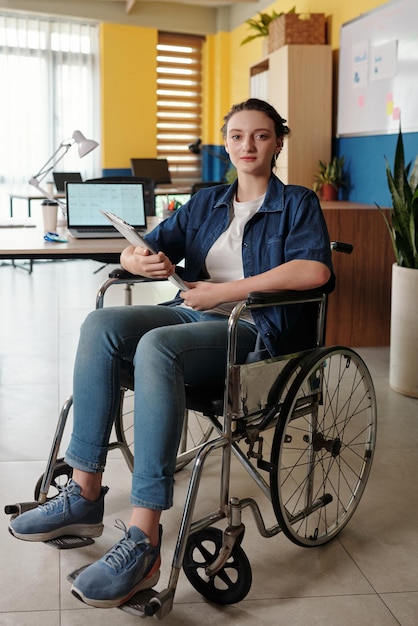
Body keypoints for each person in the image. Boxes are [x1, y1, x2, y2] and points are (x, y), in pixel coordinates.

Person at [9, 98, 333, 608]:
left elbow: (313, 273)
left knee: (158, 346)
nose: (247, 145)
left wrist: (224, 292)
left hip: (254, 330)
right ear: (225, 142)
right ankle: (84, 493)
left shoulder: (297, 203)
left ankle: (143, 540)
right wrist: (137, 259)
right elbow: (138, 250)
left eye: (261, 135)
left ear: (277, 142)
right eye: (237, 135)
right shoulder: (205, 202)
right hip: (194, 315)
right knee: (102, 324)